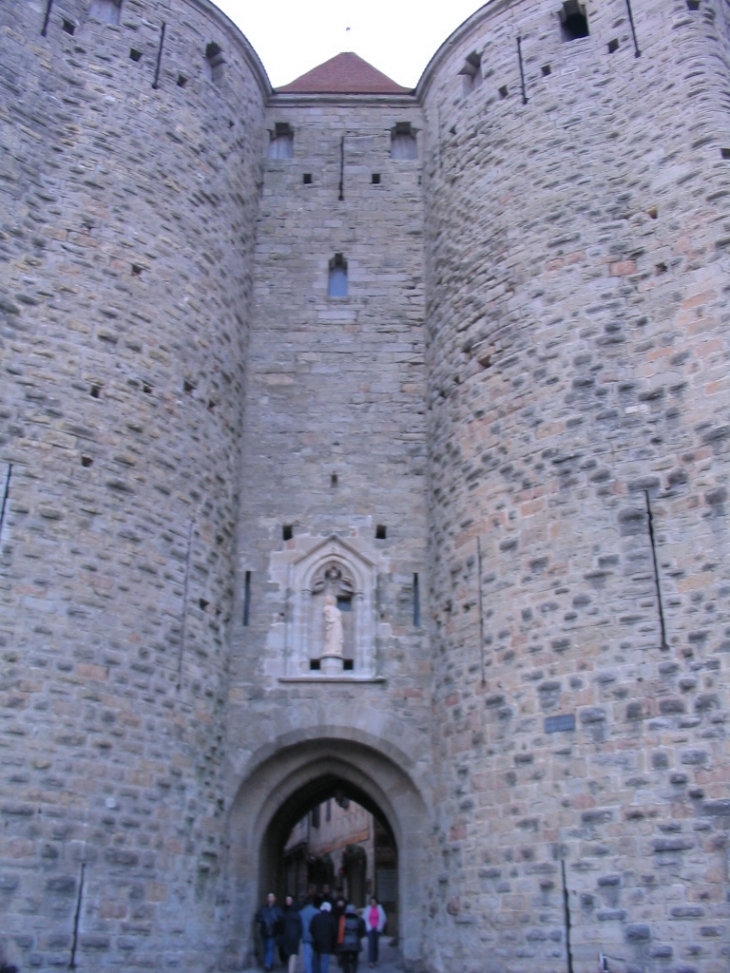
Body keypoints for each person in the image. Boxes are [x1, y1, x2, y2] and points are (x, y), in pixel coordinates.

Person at [255, 892, 284, 972]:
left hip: (272, 932)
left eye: (272, 897)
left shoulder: (277, 909)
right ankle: (268, 963)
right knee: (266, 948)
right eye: (269, 897)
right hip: (264, 931)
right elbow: (257, 917)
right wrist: (263, 921)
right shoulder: (263, 908)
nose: (270, 898)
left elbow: (281, 919)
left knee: (270, 948)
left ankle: (267, 964)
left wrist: (275, 922)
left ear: (274, 899)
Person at [309, 900, 337, 973]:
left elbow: (311, 929)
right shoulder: (331, 918)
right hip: (327, 943)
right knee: (325, 961)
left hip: (316, 942)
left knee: (316, 961)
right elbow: (334, 932)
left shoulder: (315, 917)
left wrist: (315, 936)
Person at [337, 903, 366, 973]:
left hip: (345, 943)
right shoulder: (359, 920)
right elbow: (362, 932)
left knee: (345, 960)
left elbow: (339, 931)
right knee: (355, 959)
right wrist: (358, 936)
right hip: (355, 942)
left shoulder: (342, 919)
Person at [278, 895, 303, 973]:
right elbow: (300, 927)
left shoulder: (286, 915)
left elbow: (283, 925)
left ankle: (289, 968)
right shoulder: (297, 915)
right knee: (293, 955)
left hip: (287, 936)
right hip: (295, 937)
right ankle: (291, 970)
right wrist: (299, 936)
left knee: (288, 953)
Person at [363, 897, 387, 968]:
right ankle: (371, 961)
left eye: (374, 902)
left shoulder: (379, 909)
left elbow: (383, 918)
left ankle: (375, 960)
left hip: (377, 929)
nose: (373, 903)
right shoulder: (368, 909)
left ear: (376, 902)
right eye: (371, 902)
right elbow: (364, 918)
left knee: (375, 945)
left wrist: (381, 927)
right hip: (370, 928)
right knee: (371, 945)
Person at [300, 891, 320, 973]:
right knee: (315, 954)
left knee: (307, 956)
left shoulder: (301, 913)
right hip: (315, 936)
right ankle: (315, 970)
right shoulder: (317, 912)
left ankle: (309, 971)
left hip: (305, 935)